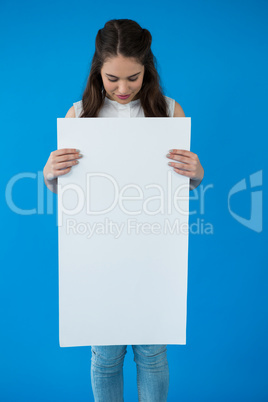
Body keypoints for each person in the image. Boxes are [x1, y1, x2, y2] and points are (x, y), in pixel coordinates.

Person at [43, 19, 204, 402]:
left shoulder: (169, 111)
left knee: (151, 354)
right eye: (112, 78)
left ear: (147, 69)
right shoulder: (79, 115)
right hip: (98, 253)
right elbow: (68, 191)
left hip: (153, 251)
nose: (122, 88)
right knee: (106, 355)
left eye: (132, 78)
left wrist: (198, 173)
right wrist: (50, 173)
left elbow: (180, 186)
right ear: (97, 71)